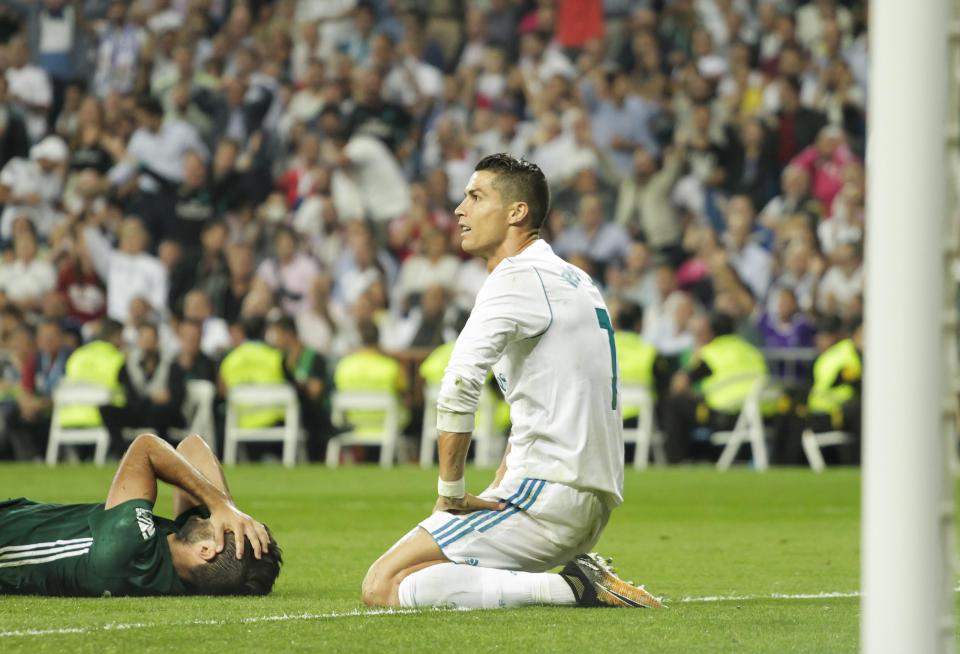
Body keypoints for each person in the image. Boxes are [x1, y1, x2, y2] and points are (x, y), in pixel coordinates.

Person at [362, 153, 661, 611]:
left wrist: (452, 493)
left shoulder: (517, 277)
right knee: (425, 577)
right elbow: (546, 393)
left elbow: (459, 383)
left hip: (548, 493)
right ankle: (576, 582)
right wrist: (502, 479)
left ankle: (576, 588)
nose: (460, 209)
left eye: (475, 196)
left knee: (383, 584)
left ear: (517, 212)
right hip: (586, 494)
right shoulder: (575, 278)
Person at [0, 432, 281, 596]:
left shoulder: (130, 551)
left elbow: (146, 448)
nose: (215, 519)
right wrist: (228, 506)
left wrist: (221, 506)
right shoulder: (181, 561)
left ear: (207, 550)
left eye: (225, 528)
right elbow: (192, 446)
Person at [662, 312, 768, 463]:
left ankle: (675, 460)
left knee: (675, 402)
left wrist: (696, 353)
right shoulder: (752, 351)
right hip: (759, 414)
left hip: (724, 416)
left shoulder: (710, 353)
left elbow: (679, 384)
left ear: (710, 332)